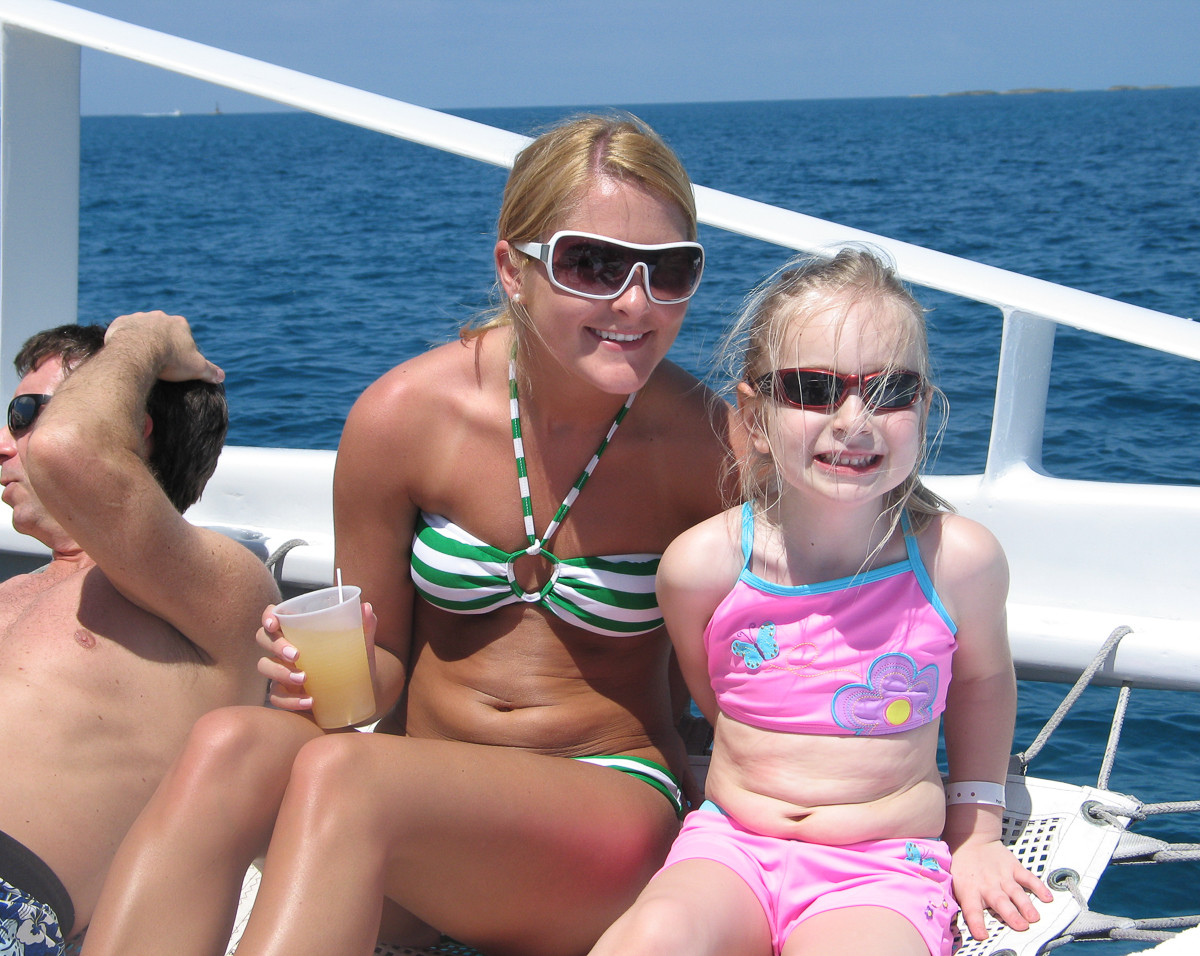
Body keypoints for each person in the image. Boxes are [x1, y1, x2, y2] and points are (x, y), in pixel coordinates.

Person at [82, 115, 732, 956]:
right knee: (227, 742)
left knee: (346, 777)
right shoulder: (404, 418)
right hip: (418, 785)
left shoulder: (709, 450)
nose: (635, 303)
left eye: (669, 270)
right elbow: (378, 669)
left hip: (605, 797)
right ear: (513, 268)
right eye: (594, 264)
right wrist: (325, 674)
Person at [588, 249, 1053, 956]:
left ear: (923, 407)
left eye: (890, 390)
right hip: (729, 847)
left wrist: (976, 832)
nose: (854, 420)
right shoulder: (701, 569)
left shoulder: (956, 562)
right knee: (650, 940)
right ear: (754, 417)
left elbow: (983, 684)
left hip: (882, 868)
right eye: (812, 388)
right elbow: (718, 696)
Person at [0, 315, 277, 955]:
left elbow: (69, 448)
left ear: (130, 428)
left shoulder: (220, 588)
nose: (6, 444)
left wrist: (146, 338)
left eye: (24, 415)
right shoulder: (17, 592)